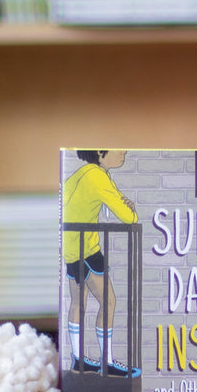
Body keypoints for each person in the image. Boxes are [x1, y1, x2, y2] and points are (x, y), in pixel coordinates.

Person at [62, 150, 139, 377]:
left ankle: (78, 360)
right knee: (109, 301)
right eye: (117, 148)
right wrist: (131, 208)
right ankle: (107, 362)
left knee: (78, 303)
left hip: (71, 249)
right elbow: (129, 217)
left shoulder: (80, 174)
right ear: (100, 152)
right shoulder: (97, 177)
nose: (123, 151)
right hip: (88, 250)